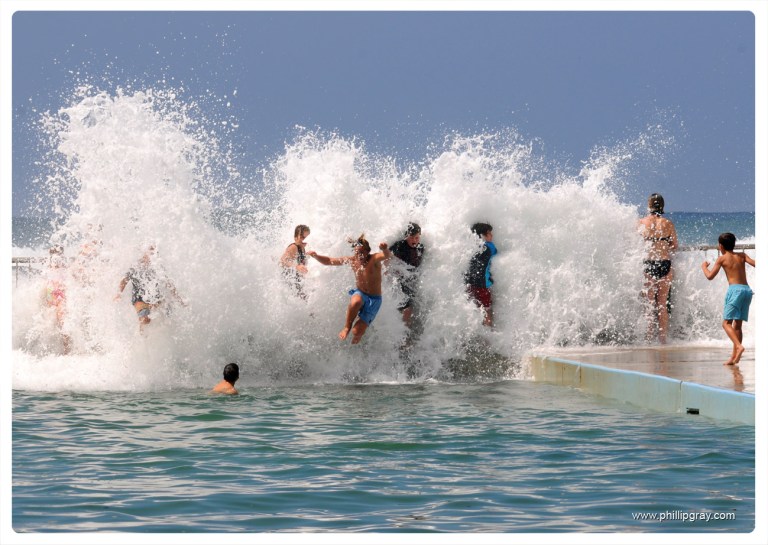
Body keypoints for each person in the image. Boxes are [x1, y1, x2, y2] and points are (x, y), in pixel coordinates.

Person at [308, 234, 392, 344]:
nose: (359, 255)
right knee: (356, 301)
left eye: (362, 252)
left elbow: (386, 255)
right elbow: (329, 261)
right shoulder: (352, 260)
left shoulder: (374, 259)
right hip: (360, 293)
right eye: (357, 253)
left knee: (356, 331)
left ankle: (358, 335)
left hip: (374, 299)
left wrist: (385, 249)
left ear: (368, 251)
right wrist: (316, 256)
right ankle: (347, 327)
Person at [701, 232, 755, 365]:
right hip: (747, 291)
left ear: (721, 246)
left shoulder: (722, 259)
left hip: (735, 291)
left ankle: (739, 347)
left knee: (726, 323)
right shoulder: (742, 256)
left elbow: (710, 276)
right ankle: (734, 358)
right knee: (738, 325)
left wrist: (704, 267)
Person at [115, 244, 186, 331]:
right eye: (151, 253)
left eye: (155, 253)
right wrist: (119, 294)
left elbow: (168, 284)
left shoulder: (157, 267)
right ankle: (141, 334)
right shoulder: (136, 266)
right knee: (145, 320)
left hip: (155, 298)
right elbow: (125, 280)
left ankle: (167, 330)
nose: (153, 255)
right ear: (144, 253)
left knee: (168, 307)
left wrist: (179, 298)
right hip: (139, 299)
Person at [637, 193, 678, 344]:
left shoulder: (641, 222)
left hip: (649, 264)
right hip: (665, 263)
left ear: (649, 205)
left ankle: (648, 339)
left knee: (649, 305)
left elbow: (634, 242)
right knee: (662, 305)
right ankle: (662, 340)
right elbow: (674, 246)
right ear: (662, 205)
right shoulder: (668, 223)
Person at [389, 222, 425, 326]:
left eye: (417, 238)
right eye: (412, 238)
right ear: (406, 236)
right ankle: (401, 332)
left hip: (411, 280)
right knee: (406, 309)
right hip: (398, 280)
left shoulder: (420, 248)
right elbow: (386, 257)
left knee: (410, 308)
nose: (414, 240)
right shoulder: (399, 246)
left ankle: (405, 330)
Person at [464, 222, 497, 327]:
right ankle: (488, 332)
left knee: (474, 309)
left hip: (469, 284)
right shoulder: (490, 247)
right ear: (482, 236)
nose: (492, 235)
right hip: (483, 285)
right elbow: (496, 255)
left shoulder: (470, 247)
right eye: (489, 233)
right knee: (487, 310)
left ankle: (476, 331)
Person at [42, 245, 71, 354]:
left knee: (58, 323)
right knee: (59, 323)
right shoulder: (55, 268)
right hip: (55, 296)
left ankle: (63, 350)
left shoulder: (50, 268)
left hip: (55, 296)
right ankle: (63, 350)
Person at [279, 224, 311, 299]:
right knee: (304, 298)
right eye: (302, 237)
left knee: (306, 297)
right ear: (295, 237)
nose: (304, 239)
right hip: (289, 278)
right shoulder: (293, 247)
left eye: (305, 237)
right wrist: (296, 266)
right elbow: (283, 260)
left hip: (296, 277)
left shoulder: (302, 248)